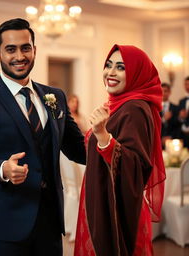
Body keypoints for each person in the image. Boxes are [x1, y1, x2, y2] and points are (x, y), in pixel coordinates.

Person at [0, 18, 86, 256]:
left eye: (25, 48)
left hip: (50, 220)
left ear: (34, 50)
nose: (20, 56)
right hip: (5, 222)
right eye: (11, 49)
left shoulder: (55, 96)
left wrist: (106, 140)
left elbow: (78, 149)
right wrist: (2, 169)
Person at [74, 44, 166, 256]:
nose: (111, 72)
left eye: (121, 67)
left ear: (136, 73)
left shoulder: (135, 109)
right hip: (102, 195)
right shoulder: (117, 105)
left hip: (115, 206)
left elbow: (137, 167)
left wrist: (103, 136)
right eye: (108, 65)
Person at [160, 82, 180, 149]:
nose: (163, 93)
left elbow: (178, 125)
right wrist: (163, 119)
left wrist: (171, 137)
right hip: (158, 141)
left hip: (173, 142)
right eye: (161, 91)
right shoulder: (154, 108)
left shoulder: (176, 108)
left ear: (169, 92)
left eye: (165, 91)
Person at [178, 76, 189, 148]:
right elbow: (179, 119)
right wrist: (181, 117)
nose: (187, 86)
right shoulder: (181, 101)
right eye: (186, 84)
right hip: (184, 135)